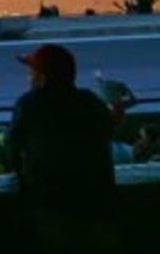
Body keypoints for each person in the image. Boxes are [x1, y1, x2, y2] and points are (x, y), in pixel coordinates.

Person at [8, 44, 116, 250]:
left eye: (32, 73)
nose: (28, 78)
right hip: (96, 205)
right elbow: (107, 132)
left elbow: (14, 146)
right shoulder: (90, 102)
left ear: (42, 78)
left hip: (52, 208)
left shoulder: (29, 104)